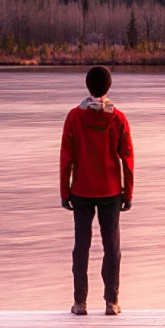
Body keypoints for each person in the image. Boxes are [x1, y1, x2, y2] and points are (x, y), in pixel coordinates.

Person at [60, 64, 134, 315]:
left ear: (87, 86)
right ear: (109, 87)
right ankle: (111, 302)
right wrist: (128, 193)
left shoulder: (74, 117)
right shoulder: (119, 118)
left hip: (81, 190)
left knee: (81, 246)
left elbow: (66, 158)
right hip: (111, 191)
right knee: (111, 248)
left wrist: (64, 191)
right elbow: (128, 158)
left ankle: (80, 302)